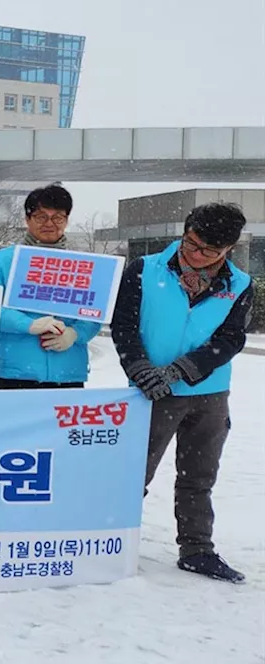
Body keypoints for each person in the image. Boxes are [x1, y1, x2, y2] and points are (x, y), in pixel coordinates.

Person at [111, 203, 252, 584]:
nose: (196, 254)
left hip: (209, 394)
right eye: (192, 242)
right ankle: (109, 542)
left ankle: (197, 549)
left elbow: (231, 338)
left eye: (210, 251)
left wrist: (183, 370)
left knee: (198, 477)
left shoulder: (238, 284)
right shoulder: (145, 270)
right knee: (133, 473)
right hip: (150, 392)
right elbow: (123, 325)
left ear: (228, 250)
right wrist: (141, 369)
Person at [0, 184, 100, 389]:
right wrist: (28, 325)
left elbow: (95, 312)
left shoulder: (85, 266)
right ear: (27, 219)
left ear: (66, 220)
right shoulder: (1, 261)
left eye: (57, 217)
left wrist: (75, 334)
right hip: (15, 373)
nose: (49, 224)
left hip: (68, 372)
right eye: (41, 217)